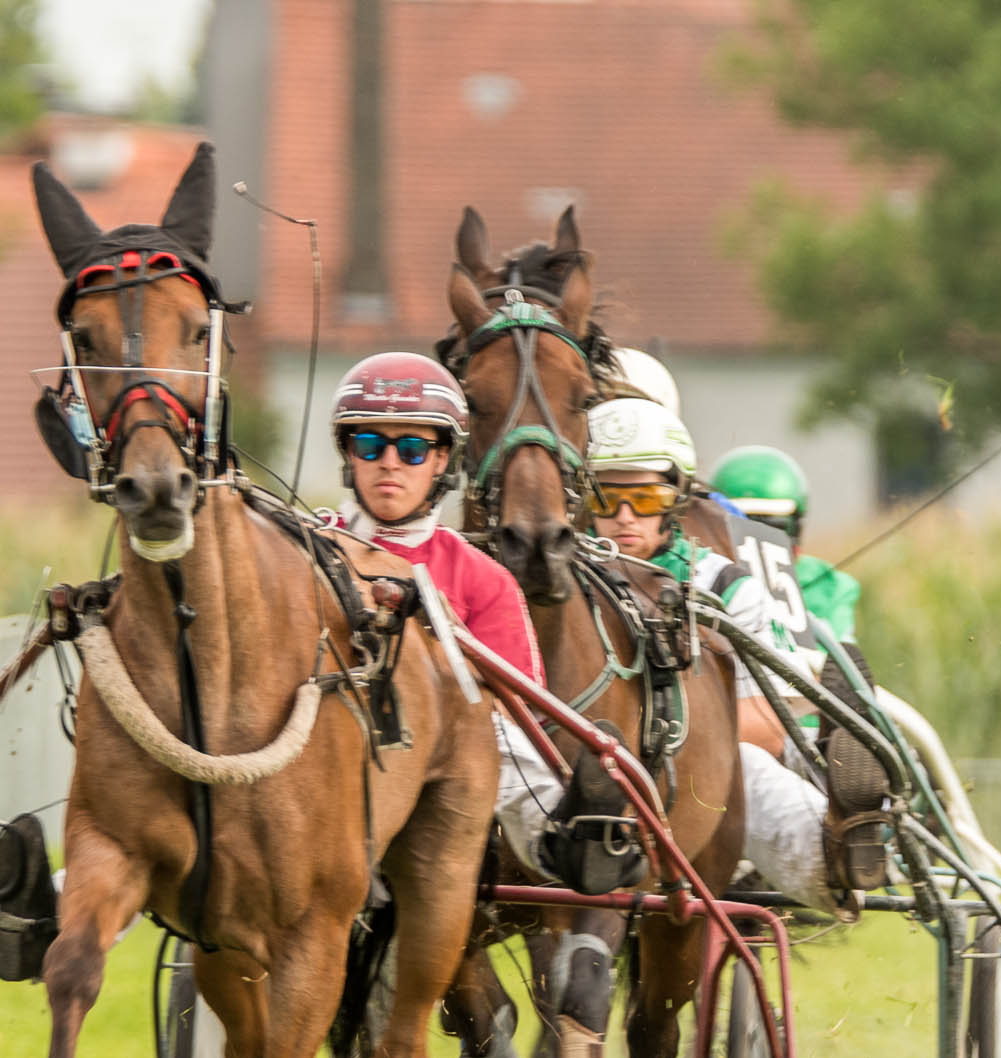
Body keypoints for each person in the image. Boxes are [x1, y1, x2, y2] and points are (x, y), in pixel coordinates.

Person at [325, 352, 625, 894]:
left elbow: (519, 707)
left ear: (442, 460)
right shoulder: (310, 547)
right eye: (370, 445)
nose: (390, 463)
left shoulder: (483, 577)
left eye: (412, 449)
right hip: (327, 735)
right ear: (349, 453)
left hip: (443, 757)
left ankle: (559, 840)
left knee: (499, 736)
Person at [582, 398, 844, 909]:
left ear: (677, 498)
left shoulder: (725, 585)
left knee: (746, 765)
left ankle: (836, 851)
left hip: (698, 770)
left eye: (647, 497)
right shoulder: (554, 586)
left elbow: (769, 725)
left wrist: (655, 742)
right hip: (584, 771)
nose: (625, 516)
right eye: (605, 497)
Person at [710, 445, 859, 645]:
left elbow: (834, 657)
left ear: (797, 527)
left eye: (772, 527)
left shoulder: (831, 586)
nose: (756, 539)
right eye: (741, 524)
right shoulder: (703, 575)